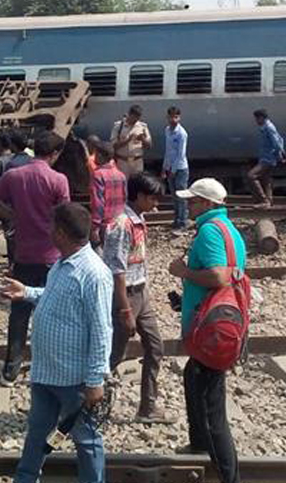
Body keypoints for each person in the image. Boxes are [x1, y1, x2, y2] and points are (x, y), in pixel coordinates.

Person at [2, 202, 112, 483]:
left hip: (74, 377)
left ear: (61, 233)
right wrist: (26, 292)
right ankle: (25, 478)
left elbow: (102, 329)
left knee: (86, 440)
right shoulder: (62, 265)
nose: (49, 231)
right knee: (38, 431)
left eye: (52, 227)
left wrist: (95, 379)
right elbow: (54, 298)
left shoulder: (94, 274)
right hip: (46, 371)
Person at [169, 177, 245, 483]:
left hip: (211, 330)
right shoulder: (230, 230)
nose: (189, 204)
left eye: (194, 200)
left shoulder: (209, 232)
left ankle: (229, 476)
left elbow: (218, 277)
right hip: (217, 323)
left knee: (212, 409)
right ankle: (198, 443)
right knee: (194, 377)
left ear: (209, 205)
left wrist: (182, 272)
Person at [0, 131, 70, 386]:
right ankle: (51, 365)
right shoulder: (58, 179)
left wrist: (11, 215)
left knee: (19, 314)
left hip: (23, 255)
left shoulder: (13, 176)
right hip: (52, 256)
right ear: (54, 154)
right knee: (54, 312)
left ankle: (11, 369)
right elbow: (65, 215)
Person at [104, 173, 168, 422]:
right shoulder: (121, 225)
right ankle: (90, 403)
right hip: (126, 296)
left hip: (141, 292)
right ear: (139, 196)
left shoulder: (138, 219)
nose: (156, 204)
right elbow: (116, 270)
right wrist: (124, 310)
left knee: (155, 347)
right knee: (114, 354)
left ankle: (148, 408)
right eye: (152, 198)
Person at [89, 139, 127, 246]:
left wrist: (95, 227)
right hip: (119, 222)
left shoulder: (98, 175)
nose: (94, 157)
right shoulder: (121, 175)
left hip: (104, 224)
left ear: (101, 156)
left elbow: (98, 202)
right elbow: (125, 198)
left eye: (95, 154)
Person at [247, 109, 285, 208]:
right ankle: (268, 202)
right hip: (266, 158)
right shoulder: (266, 127)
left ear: (261, 118)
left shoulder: (268, 127)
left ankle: (262, 200)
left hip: (268, 159)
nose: (255, 121)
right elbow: (280, 139)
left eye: (256, 118)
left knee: (251, 175)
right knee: (266, 180)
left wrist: (279, 154)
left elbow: (276, 142)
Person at [162, 106, 189, 231]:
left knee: (181, 196)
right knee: (174, 195)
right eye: (171, 116)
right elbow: (168, 151)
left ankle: (183, 221)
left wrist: (173, 170)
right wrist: (164, 168)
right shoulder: (167, 130)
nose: (173, 119)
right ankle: (177, 219)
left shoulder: (182, 133)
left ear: (179, 117)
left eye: (176, 117)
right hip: (170, 168)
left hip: (180, 169)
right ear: (167, 117)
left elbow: (180, 154)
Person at [110, 104, 151, 177]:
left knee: (137, 185)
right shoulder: (119, 126)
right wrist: (127, 140)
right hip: (123, 162)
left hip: (137, 162)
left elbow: (149, 146)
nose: (136, 120)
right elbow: (113, 145)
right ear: (129, 114)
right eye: (134, 117)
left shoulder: (142, 126)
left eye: (138, 118)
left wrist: (143, 139)